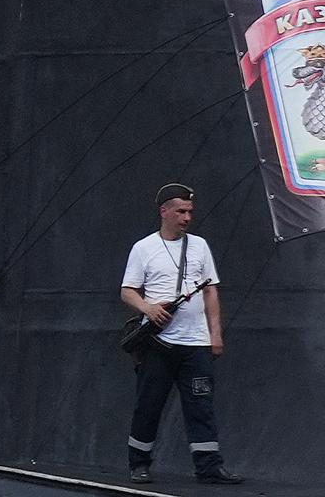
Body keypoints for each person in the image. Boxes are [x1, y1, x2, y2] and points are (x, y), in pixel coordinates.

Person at [120, 183, 243, 485]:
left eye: (189, 212)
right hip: (159, 343)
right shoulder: (144, 248)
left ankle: (209, 466)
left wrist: (216, 335)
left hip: (195, 343)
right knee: (149, 405)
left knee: (201, 406)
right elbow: (127, 291)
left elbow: (211, 291)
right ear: (165, 212)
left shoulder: (199, 246)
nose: (187, 217)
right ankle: (139, 463)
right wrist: (148, 309)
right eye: (181, 211)